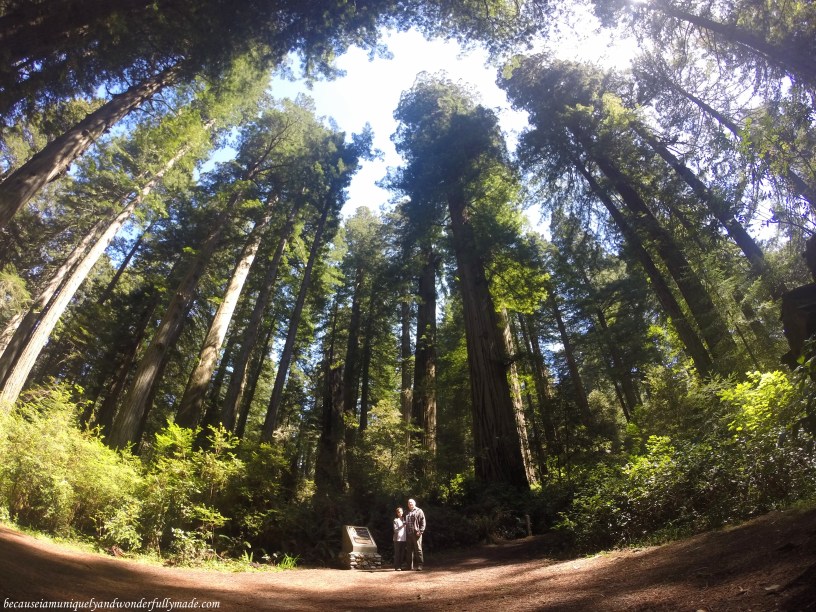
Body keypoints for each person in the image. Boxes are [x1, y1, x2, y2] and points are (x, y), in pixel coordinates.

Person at [404, 498, 426, 570]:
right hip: (408, 533)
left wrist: (421, 531)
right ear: (408, 504)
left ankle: (420, 565)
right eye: (409, 503)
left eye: (411, 503)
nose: (410, 504)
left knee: (418, 550)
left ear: (414, 503)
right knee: (409, 550)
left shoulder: (419, 511)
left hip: (416, 533)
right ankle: (409, 566)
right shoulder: (406, 512)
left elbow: (423, 522)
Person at [392, 506, 406, 570]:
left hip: (404, 539)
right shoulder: (395, 520)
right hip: (397, 539)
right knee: (397, 553)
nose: (400, 513)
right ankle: (396, 567)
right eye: (399, 512)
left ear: (403, 512)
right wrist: (402, 526)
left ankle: (400, 566)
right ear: (397, 513)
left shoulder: (405, 519)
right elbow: (395, 530)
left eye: (401, 511)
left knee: (402, 553)